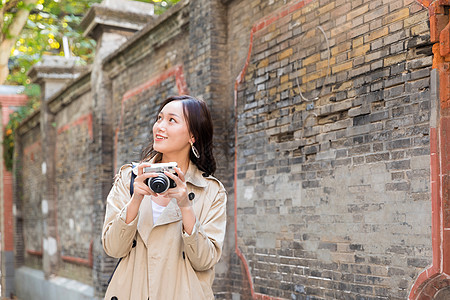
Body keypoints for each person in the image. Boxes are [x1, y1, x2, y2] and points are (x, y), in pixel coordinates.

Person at [102, 95, 227, 300]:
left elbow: (205, 260)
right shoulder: (129, 179)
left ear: (192, 136)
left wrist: (186, 206)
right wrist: (136, 199)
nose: (160, 126)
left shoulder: (211, 191)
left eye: (172, 120)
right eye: (159, 118)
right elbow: (113, 248)